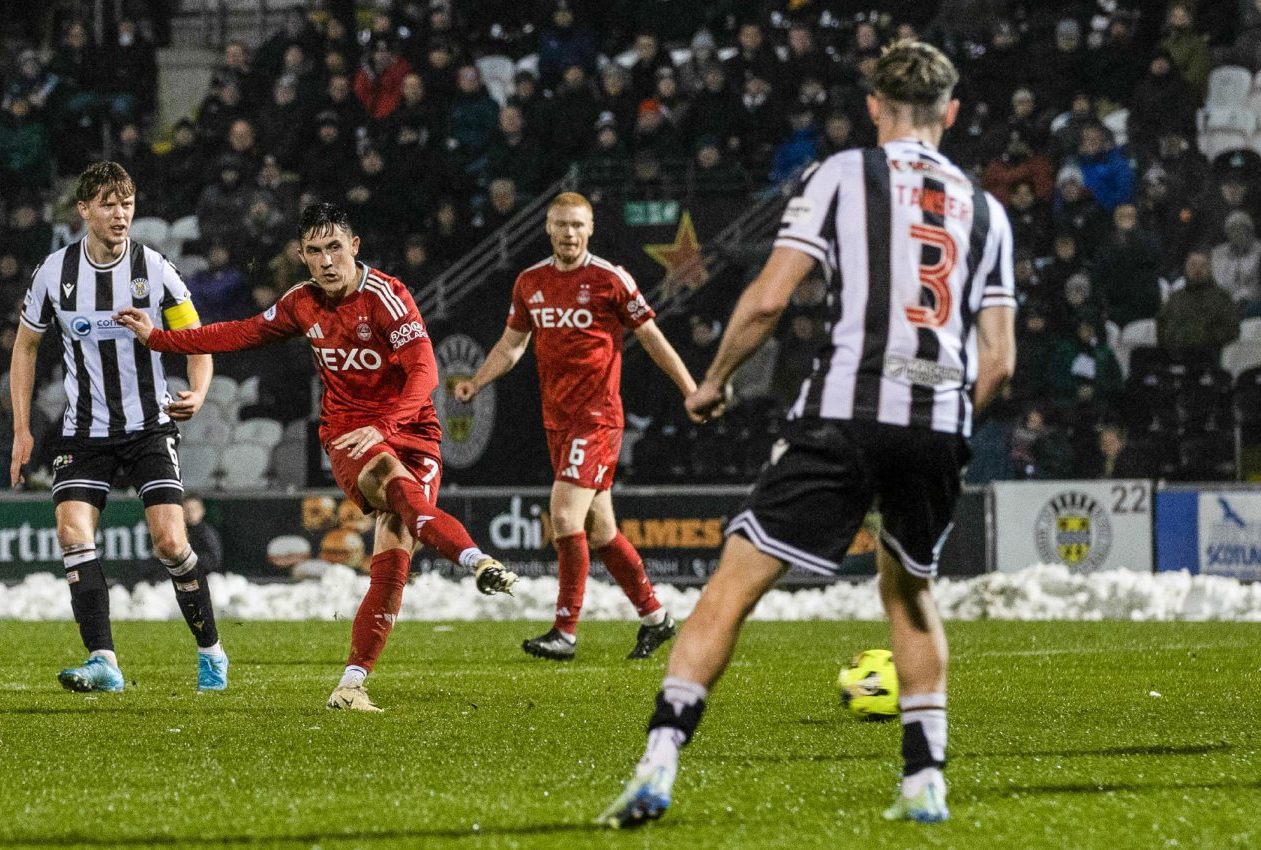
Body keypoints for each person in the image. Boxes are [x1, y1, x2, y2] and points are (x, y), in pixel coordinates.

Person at [599, 41, 1016, 828]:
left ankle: (658, 760)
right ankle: (925, 780)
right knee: (911, 592)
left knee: (733, 585)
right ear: (951, 113)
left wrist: (715, 379)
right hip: (938, 419)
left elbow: (767, 300)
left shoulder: (842, 176)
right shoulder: (987, 211)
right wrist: (947, 425)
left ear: (873, 108)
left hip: (845, 410)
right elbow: (998, 362)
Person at [114, 202, 518, 713]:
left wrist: (387, 426)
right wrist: (161, 338)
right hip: (350, 435)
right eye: (314, 251)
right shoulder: (301, 303)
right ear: (302, 257)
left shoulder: (389, 299)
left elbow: (425, 375)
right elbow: (237, 333)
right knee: (391, 481)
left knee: (391, 562)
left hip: (412, 429)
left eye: (334, 247)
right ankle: (475, 559)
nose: (326, 260)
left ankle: (352, 683)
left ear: (354, 246)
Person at [10, 162, 228, 694]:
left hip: (148, 426)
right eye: (108, 203)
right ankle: (103, 660)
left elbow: (196, 339)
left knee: (170, 543)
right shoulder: (53, 274)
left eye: (127, 203)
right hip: (84, 430)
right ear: (83, 210)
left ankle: (211, 651)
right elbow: (26, 346)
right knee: (71, 533)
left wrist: (198, 393)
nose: (120, 214)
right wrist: (22, 428)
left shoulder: (154, 269)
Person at [453, 192, 695, 661]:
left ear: (590, 229)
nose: (569, 233)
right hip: (557, 420)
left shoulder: (611, 279)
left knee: (563, 515)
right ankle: (656, 618)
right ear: (548, 228)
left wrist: (689, 389)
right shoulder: (531, 282)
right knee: (601, 532)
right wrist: (477, 382)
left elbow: (651, 336)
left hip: (598, 417)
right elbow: (512, 345)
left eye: (577, 225)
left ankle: (564, 631)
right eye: (561, 225)